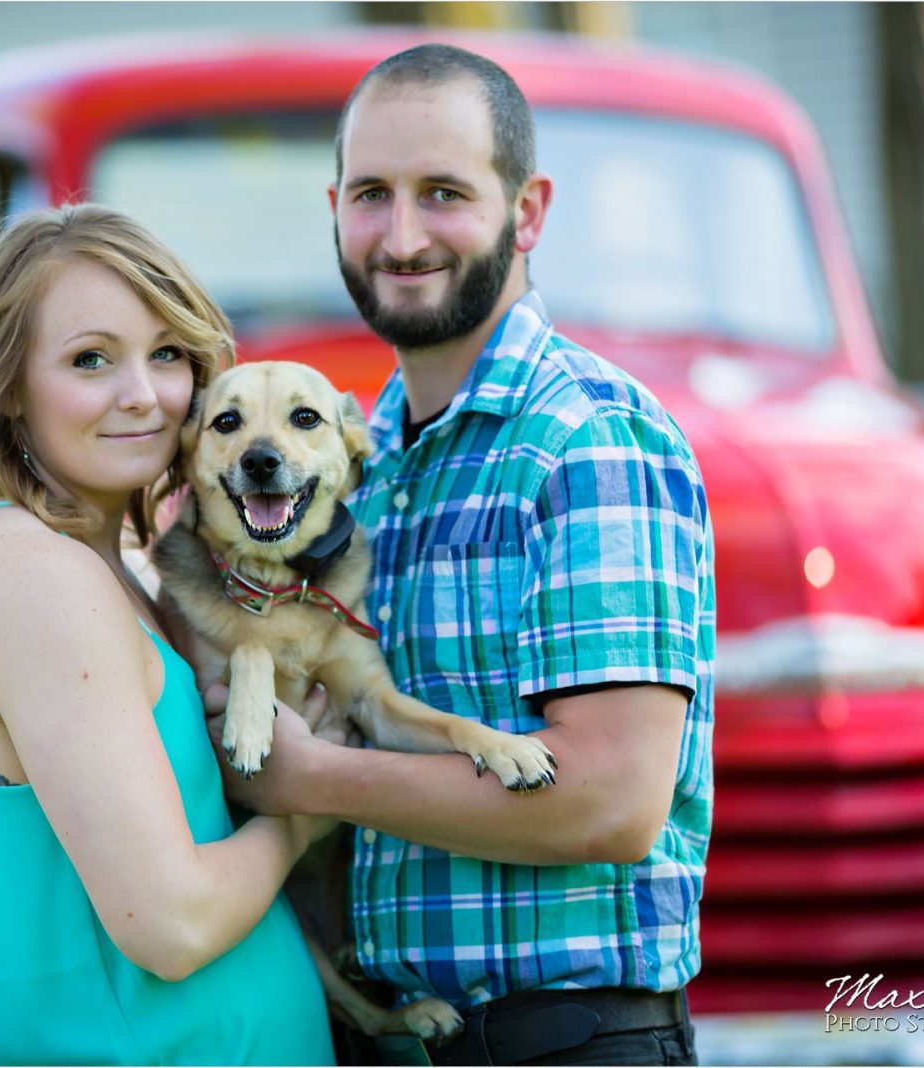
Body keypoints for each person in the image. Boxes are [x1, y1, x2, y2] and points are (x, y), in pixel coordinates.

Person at [218, 44, 715, 1067]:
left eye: (442, 193)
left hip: (562, 1044)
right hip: (390, 1035)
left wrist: (313, 777)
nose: (401, 236)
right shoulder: (362, 455)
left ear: (526, 212)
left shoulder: (588, 438)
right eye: (371, 196)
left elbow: (614, 802)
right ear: (335, 209)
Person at [0, 204, 335, 1066]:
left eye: (168, 353)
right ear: (10, 390)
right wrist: (309, 812)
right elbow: (171, 924)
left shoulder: (115, 571)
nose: (144, 394)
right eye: (90, 359)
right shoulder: (28, 572)